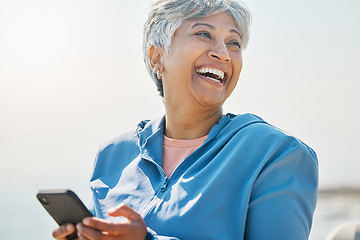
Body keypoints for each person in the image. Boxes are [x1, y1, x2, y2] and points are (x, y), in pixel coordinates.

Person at [53, 0, 319, 239]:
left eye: (234, 43)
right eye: (204, 34)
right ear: (156, 57)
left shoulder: (276, 154)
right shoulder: (112, 155)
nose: (223, 53)